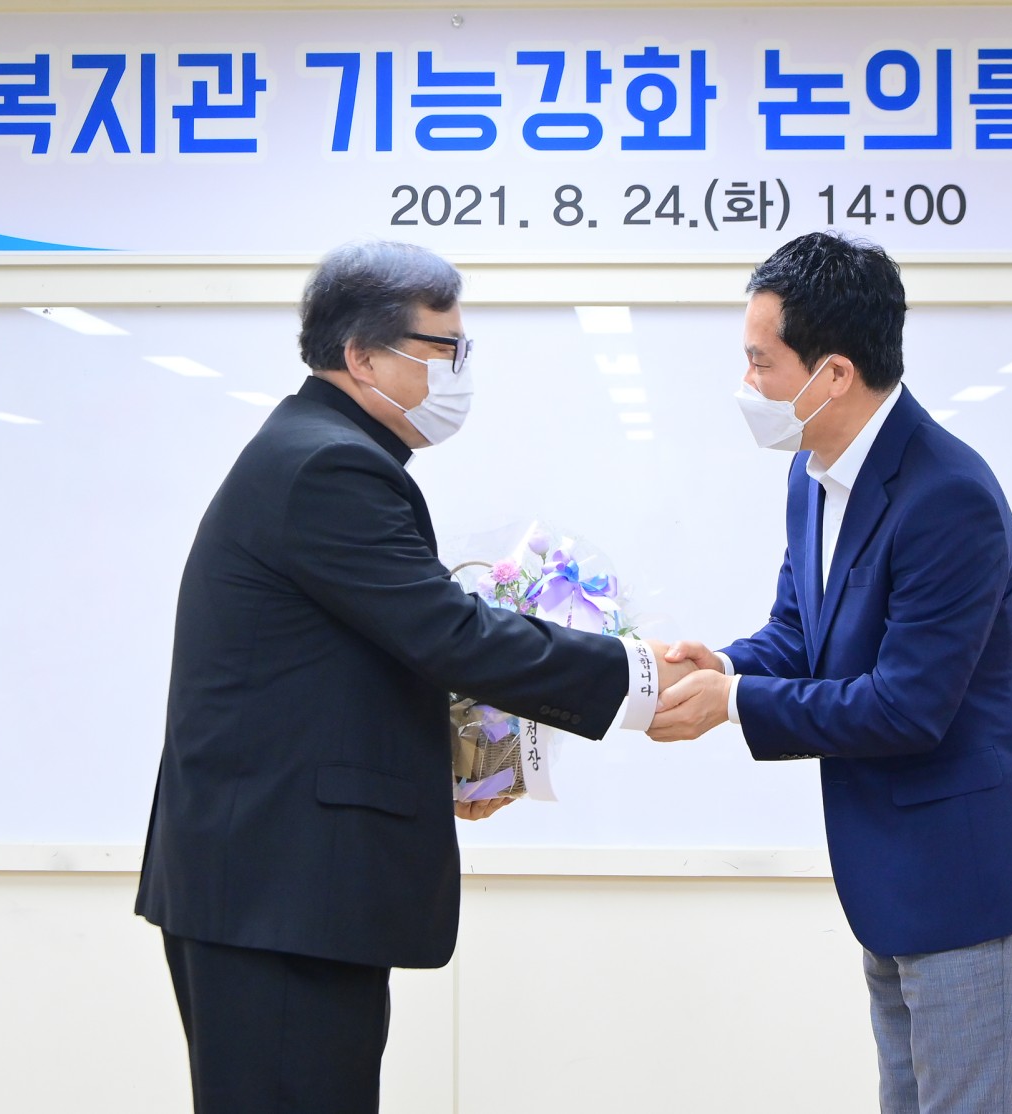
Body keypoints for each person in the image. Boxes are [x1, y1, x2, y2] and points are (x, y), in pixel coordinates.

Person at [135, 240, 689, 1114]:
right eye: (444, 349)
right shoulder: (329, 467)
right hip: (278, 897)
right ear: (362, 356)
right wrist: (639, 678)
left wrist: (468, 757)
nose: (459, 374)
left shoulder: (319, 450)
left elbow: (372, 660)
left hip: (278, 892)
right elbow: (449, 634)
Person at [651, 231, 1012, 1114]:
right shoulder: (814, 474)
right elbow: (799, 634)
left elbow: (906, 707)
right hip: (891, 880)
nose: (747, 385)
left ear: (835, 374)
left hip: (972, 879)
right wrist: (721, 664)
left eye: (761, 363)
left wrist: (735, 703)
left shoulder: (947, 496)